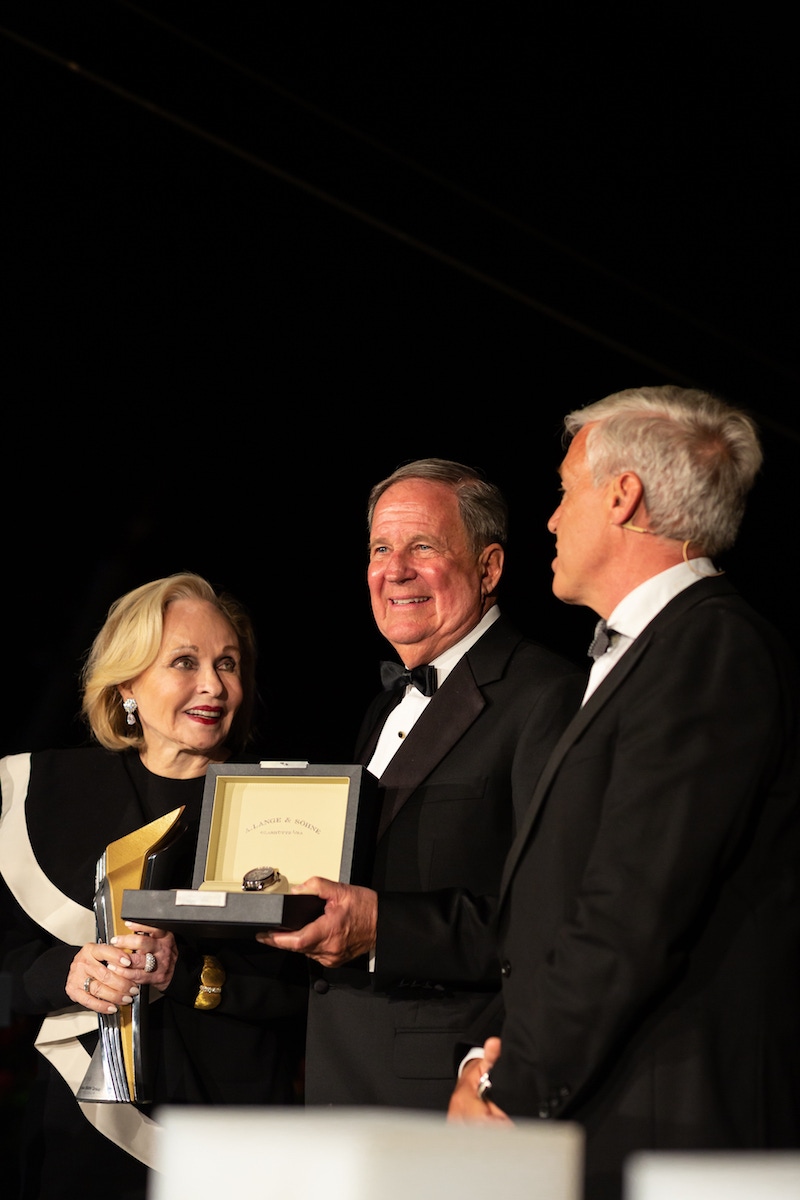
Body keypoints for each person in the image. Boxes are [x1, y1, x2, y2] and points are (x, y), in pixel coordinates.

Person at [447, 387, 800, 1199]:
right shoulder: (650, 655)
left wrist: (514, 1089)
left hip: (670, 1127)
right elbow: (551, 906)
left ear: (622, 495)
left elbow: (632, 904)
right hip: (609, 1110)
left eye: (565, 491)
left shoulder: (712, 647)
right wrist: (482, 1053)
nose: (550, 520)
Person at [258, 458, 586, 1108]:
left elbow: (559, 918)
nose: (395, 569)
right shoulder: (382, 708)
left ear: (489, 569)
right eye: (381, 548)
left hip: (455, 1089)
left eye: (423, 546)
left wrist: (385, 929)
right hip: (342, 1079)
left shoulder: (547, 697)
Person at [0, 573, 307, 1200]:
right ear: (127, 685)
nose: (213, 686)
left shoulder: (286, 805)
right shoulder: (45, 794)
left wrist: (191, 976)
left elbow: (320, 988)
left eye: (228, 663)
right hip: (80, 1135)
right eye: (185, 663)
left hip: (233, 1135)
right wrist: (63, 972)